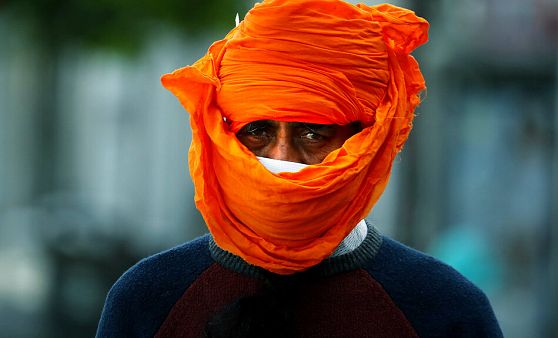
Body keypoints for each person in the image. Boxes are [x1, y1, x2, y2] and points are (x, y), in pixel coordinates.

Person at [96, 0, 503, 337]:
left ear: (368, 140)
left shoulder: (443, 309)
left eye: (313, 135)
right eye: (257, 132)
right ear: (221, 137)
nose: (283, 158)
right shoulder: (148, 299)